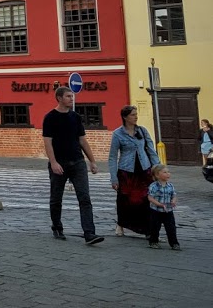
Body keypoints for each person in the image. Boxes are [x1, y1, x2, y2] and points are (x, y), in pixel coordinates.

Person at [43, 86, 104, 245]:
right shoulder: (50, 117)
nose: (72, 99)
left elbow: (82, 140)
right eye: (68, 96)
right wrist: (54, 162)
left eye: (72, 96)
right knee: (56, 198)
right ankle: (57, 226)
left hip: (77, 162)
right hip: (59, 163)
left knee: (84, 198)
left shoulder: (75, 117)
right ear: (59, 98)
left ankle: (89, 233)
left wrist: (92, 161)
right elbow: (47, 143)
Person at [107, 105, 159, 238]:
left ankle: (147, 229)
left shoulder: (142, 131)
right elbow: (113, 157)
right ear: (125, 117)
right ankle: (121, 224)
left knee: (145, 200)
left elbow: (151, 150)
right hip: (126, 171)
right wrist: (113, 178)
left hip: (144, 170)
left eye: (136, 114)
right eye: (132, 115)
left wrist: (157, 168)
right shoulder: (118, 134)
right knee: (124, 200)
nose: (136, 117)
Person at [146, 164, 180, 250]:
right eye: (165, 172)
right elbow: (150, 197)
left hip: (168, 211)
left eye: (168, 172)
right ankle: (153, 242)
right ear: (157, 175)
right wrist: (159, 204)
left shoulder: (170, 186)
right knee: (155, 227)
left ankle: (174, 243)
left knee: (171, 227)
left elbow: (174, 195)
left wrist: (173, 201)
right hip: (156, 211)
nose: (168, 174)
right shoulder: (153, 186)